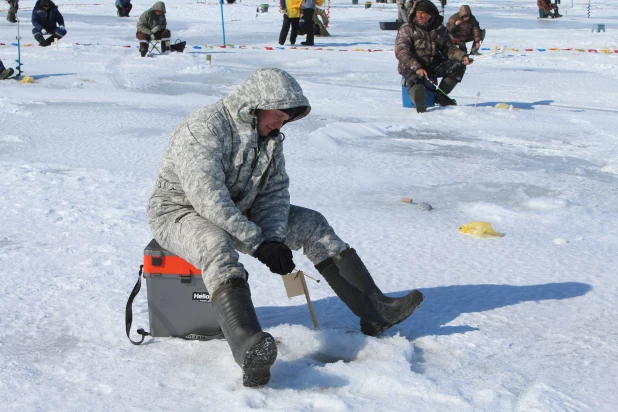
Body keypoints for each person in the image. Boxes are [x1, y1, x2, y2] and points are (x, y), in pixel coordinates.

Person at [147, 68, 424, 387]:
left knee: (312, 224)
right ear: (255, 105)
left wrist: (275, 238)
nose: (281, 124)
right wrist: (258, 242)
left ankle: (375, 311)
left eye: (286, 119)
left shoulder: (270, 139)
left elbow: (273, 192)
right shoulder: (204, 126)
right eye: (278, 115)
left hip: (238, 207)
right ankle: (248, 346)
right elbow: (206, 196)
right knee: (215, 245)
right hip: (178, 210)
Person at [395, 0, 473, 113]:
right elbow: (402, 51)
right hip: (411, 65)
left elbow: (449, 49)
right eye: (418, 12)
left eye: (423, 13)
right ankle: (418, 100)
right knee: (416, 81)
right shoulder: (407, 28)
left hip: (433, 64)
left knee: (458, 66)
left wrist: (462, 57)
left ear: (431, 15)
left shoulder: (440, 29)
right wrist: (417, 67)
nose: (419, 15)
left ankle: (440, 96)